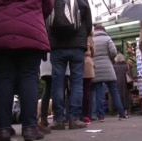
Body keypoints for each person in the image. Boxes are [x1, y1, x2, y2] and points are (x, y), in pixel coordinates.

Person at [0, 0, 53, 141]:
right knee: (28, 77)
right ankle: (30, 127)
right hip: (31, 27)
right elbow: (48, 5)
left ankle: (3, 129)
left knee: (3, 78)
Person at [48, 0, 92, 130]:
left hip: (57, 45)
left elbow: (46, 19)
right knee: (77, 82)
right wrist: (82, 34)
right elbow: (88, 23)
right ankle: (74, 119)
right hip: (77, 45)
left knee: (57, 83)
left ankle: (59, 120)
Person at [92, 24, 127, 122]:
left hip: (96, 68)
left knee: (98, 92)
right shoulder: (107, 38)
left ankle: (101, 116)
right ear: (103, 30)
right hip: (108, 67)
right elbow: (114, 52)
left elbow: (89, 52)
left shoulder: (92, 39)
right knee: (114, 91)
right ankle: (121, 113)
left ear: (95, 30)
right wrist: (109, 59)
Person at [39, 53, 70, 131]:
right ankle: (59, 117)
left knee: (48, 89)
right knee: (60, 89)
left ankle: (43, 118)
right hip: (60, 62)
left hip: (46, 62)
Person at [81, 31, 95, 124]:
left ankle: (75, 115)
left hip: (75, 63)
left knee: (75, 90)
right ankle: (86, 115)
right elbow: (94, 52)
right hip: (87, 63)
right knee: (87, 90)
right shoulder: (89, 37)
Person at [113, 53, 132, 117]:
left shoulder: (114, 66)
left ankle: (120, 111)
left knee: (118, 96)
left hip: (117, 83)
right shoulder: (127, 66)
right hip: (126, 83)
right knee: (126, 96)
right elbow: (130, 75)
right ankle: (126, 111)